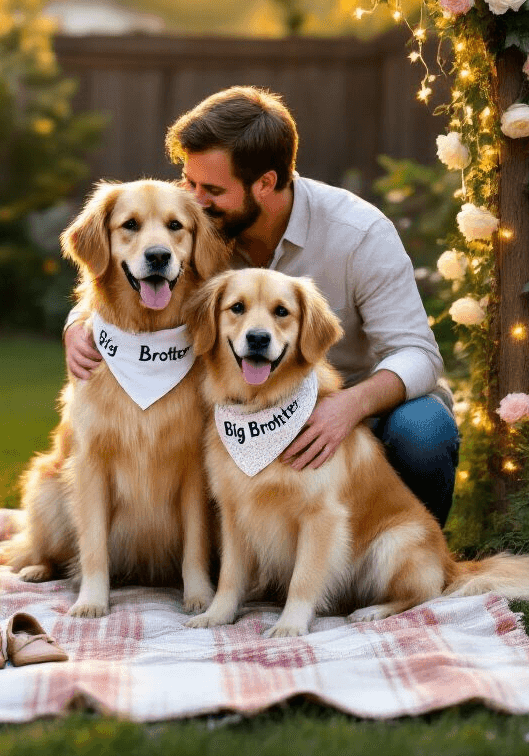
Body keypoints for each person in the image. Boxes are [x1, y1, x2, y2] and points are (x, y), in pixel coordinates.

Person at [65, 86, 460, 527]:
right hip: (241, 415)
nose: (195, 200)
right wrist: (78, 322)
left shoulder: (359, 234)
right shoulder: (198, 228)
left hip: (351, 411)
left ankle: (418, 556)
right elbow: (125, 276)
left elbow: (418, 354)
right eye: (188, 181)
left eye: (212, 189)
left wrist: (348, 407)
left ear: (265, 183)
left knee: (425, 429)